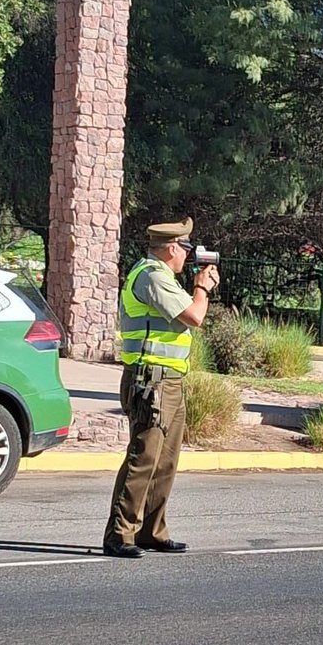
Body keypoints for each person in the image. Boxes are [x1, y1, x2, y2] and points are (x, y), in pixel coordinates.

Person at [101, 217, 220, 559]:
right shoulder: (152, 277)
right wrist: (203, 288)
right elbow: (194, 317)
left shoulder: (162, 277)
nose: (189, 255)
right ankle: (119, 534)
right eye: (185, 248)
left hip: (169, 380)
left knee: (165, 461)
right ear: (172, 248)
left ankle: (151, 531)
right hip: (150, 380)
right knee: (144, 457)